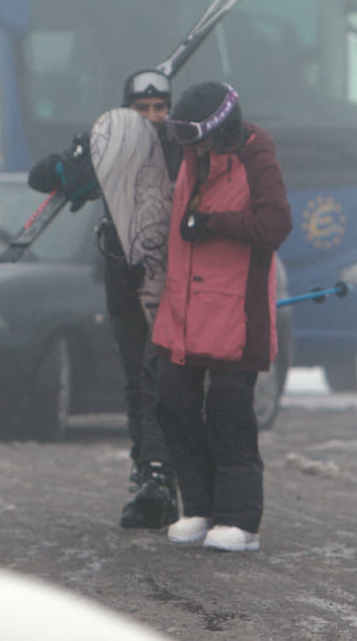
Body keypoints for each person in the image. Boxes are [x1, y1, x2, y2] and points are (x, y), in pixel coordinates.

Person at [28, 68, 184, 529]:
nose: (153, 117)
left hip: (171, 280)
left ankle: (162, 475)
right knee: (137, 379)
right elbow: (42, 178)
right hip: (122, 276)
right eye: (142, 109)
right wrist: (76, 157)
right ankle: (145, 474)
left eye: (160, 108)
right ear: (127, 111)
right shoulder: (112, 149)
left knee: (163, 377)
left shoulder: (179, 146)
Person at [152, 81, 291, 553]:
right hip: (185, 310)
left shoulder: (256, 156)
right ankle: (198, 508)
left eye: (196, 136)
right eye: (182, 138)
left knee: (229, 415)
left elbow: (275, 225)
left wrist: (212, 224)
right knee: (175, 407)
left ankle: (240, 520)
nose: (190, 147)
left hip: (237, 311)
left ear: (221, 128)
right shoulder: (191, 154)